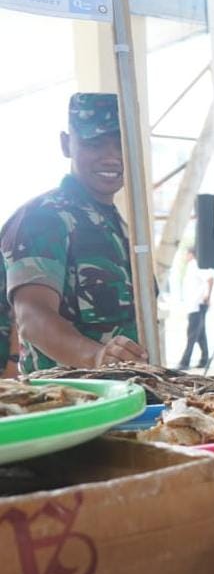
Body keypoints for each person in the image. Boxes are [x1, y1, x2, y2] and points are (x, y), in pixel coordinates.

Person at [1, 92, 148, 371]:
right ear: (66, 144)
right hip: (71, 402)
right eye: (95, 143)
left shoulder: (118, 227)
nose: (112, 157)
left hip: (128, 396)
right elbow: (32, 315)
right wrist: (97, 357)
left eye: (122, 143)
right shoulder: (44, 218)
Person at [177, 247, 214, 370]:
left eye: (185, 254)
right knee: (200, 335)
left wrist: (207, 296)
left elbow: (209, 279)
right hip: (194, 306)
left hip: (197, 305)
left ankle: (184, 362)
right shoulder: (191, 266)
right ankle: (204, 360)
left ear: (191, 254)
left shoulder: (196, 264)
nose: (184, 256)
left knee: (192, 334)